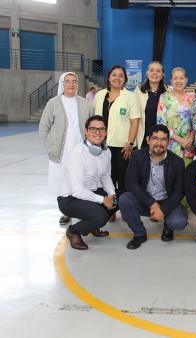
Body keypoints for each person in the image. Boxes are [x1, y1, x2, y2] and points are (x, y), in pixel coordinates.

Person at [119, 124, 186, 250]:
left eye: (163, 139)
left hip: (167, 201)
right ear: (148, 140)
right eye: (155, 138)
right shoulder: (137, 156)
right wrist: (152, 204)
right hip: (145, 200)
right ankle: (139, 234)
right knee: (124, 199)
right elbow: (130, 183)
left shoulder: (177, 162)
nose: (159, 143)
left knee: (179, 222)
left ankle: (167, 228)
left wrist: (164, 210)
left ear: (168, 142)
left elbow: (179, 191)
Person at [39, 72, 94, 226]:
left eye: (74, 81)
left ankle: (82, 211)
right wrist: (50, 147)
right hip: (60, 152)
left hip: (80, 149)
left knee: (80, 181)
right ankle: (66, 212)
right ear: (62, 84)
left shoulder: (85, 103)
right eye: (67, 81)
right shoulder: (53, 103)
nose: (71, 84)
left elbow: (93, 125)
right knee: (62, 183)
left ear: (77, 84)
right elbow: (44, 127)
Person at [57, 116, 117, 250]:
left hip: (90, 193)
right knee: (100, 217)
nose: (98, 132)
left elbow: (106, 176)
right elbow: (77, 191)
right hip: (69, 199)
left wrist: (112, 194)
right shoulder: (78, 154)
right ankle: (73, 231)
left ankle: (92, 225)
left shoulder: (106, 151)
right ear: (86, 131)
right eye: (93, 129)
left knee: (120, 198)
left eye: (101, 129)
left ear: (106, 132)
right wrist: (102, 200)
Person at [93, 65, 140, 212]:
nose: (117, 78)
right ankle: (111, 209)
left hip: (122, 147)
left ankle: (126, 209)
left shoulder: (130, 97)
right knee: (107, 179)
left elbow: (134, 122)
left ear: (125, 79)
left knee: (123, 179)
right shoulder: (100, 95)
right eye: (114, 75)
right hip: (102, 146)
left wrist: (130, 143)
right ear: (108, 77)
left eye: (121, 76)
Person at [156, 67, 196, 166]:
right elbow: (161, 123)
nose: (178, 81)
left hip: (189, 146)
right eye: (175, 78)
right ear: (171, 80)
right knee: (172, 177)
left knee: (187, 176)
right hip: (171, 146)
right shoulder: (164, 97)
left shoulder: (193, 97)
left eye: (181, 78)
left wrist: (190, 139)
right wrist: (180, 140)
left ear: (186, 80)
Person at [136, 61, 167, 148]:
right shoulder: (138, 91)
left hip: (162, 139)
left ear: (162, 74)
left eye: (158, 71)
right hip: (143, 137)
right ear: (147, 73)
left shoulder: (168, 92)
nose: (154, 73)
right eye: (151, 70)